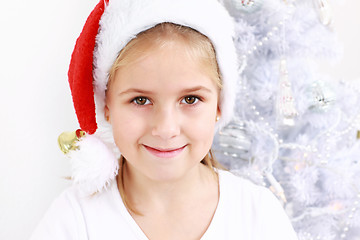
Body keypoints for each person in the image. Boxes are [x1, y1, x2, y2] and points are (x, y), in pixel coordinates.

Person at [30, 0, 298, 239]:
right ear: (107, 106)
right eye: (140, 100)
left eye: (190, 99)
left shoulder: (257, 215)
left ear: (219, 104)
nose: (166, 129)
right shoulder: (75, 220)